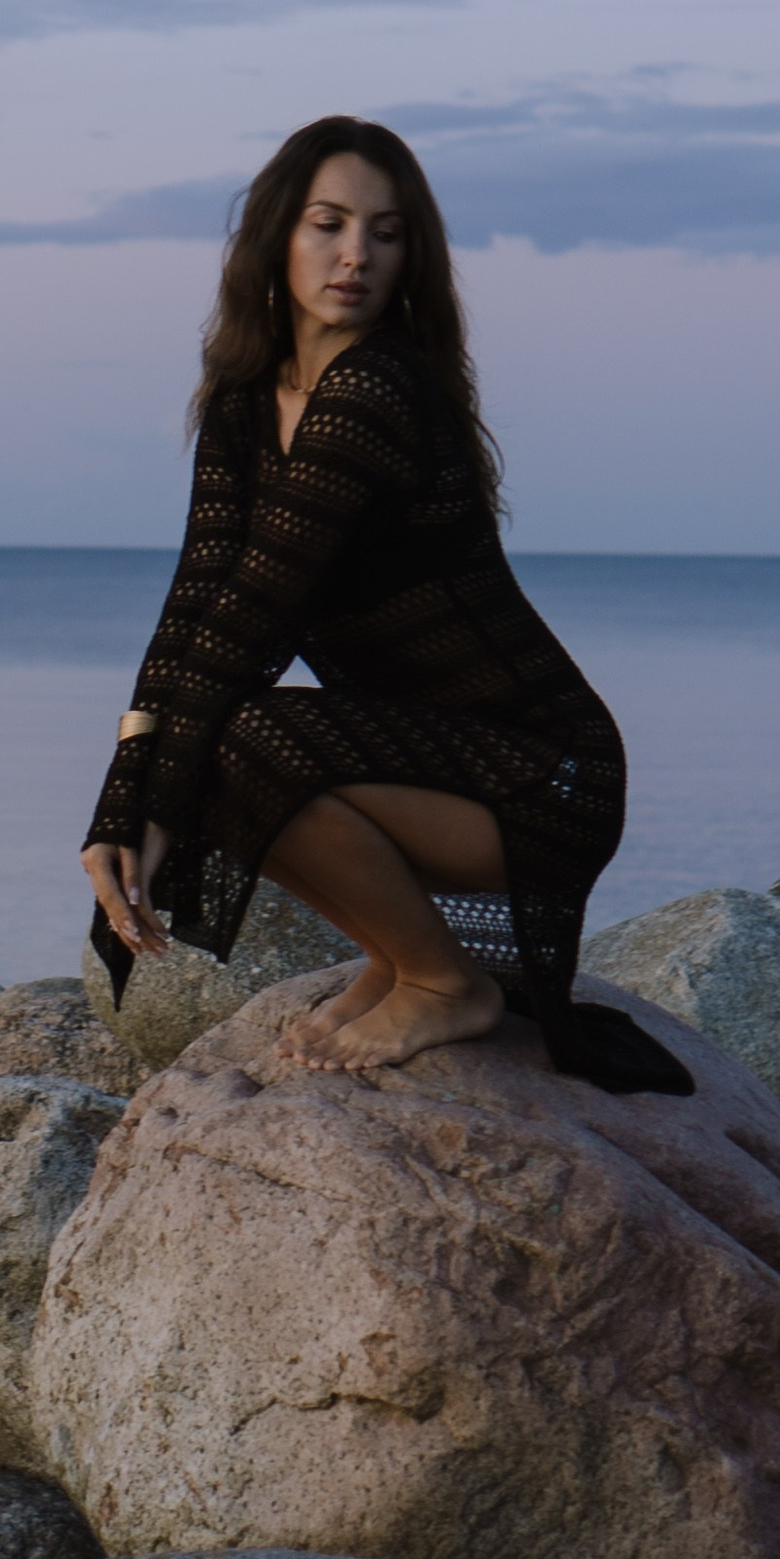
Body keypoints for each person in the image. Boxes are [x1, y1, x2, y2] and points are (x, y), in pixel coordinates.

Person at [80, 115, 690, 1095]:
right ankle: (399, 956)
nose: (355, 254)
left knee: (241, 743)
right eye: (327, 224)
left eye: (386, 231)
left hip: (543, 776)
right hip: (422, 758)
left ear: (413, 256)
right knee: (218, 746)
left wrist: (150, 798)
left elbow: (254, 619)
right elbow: (197, 600)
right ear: (276, 235)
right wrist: (123, 799)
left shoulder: (376, 390)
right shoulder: (246, 401)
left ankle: (443, 980)